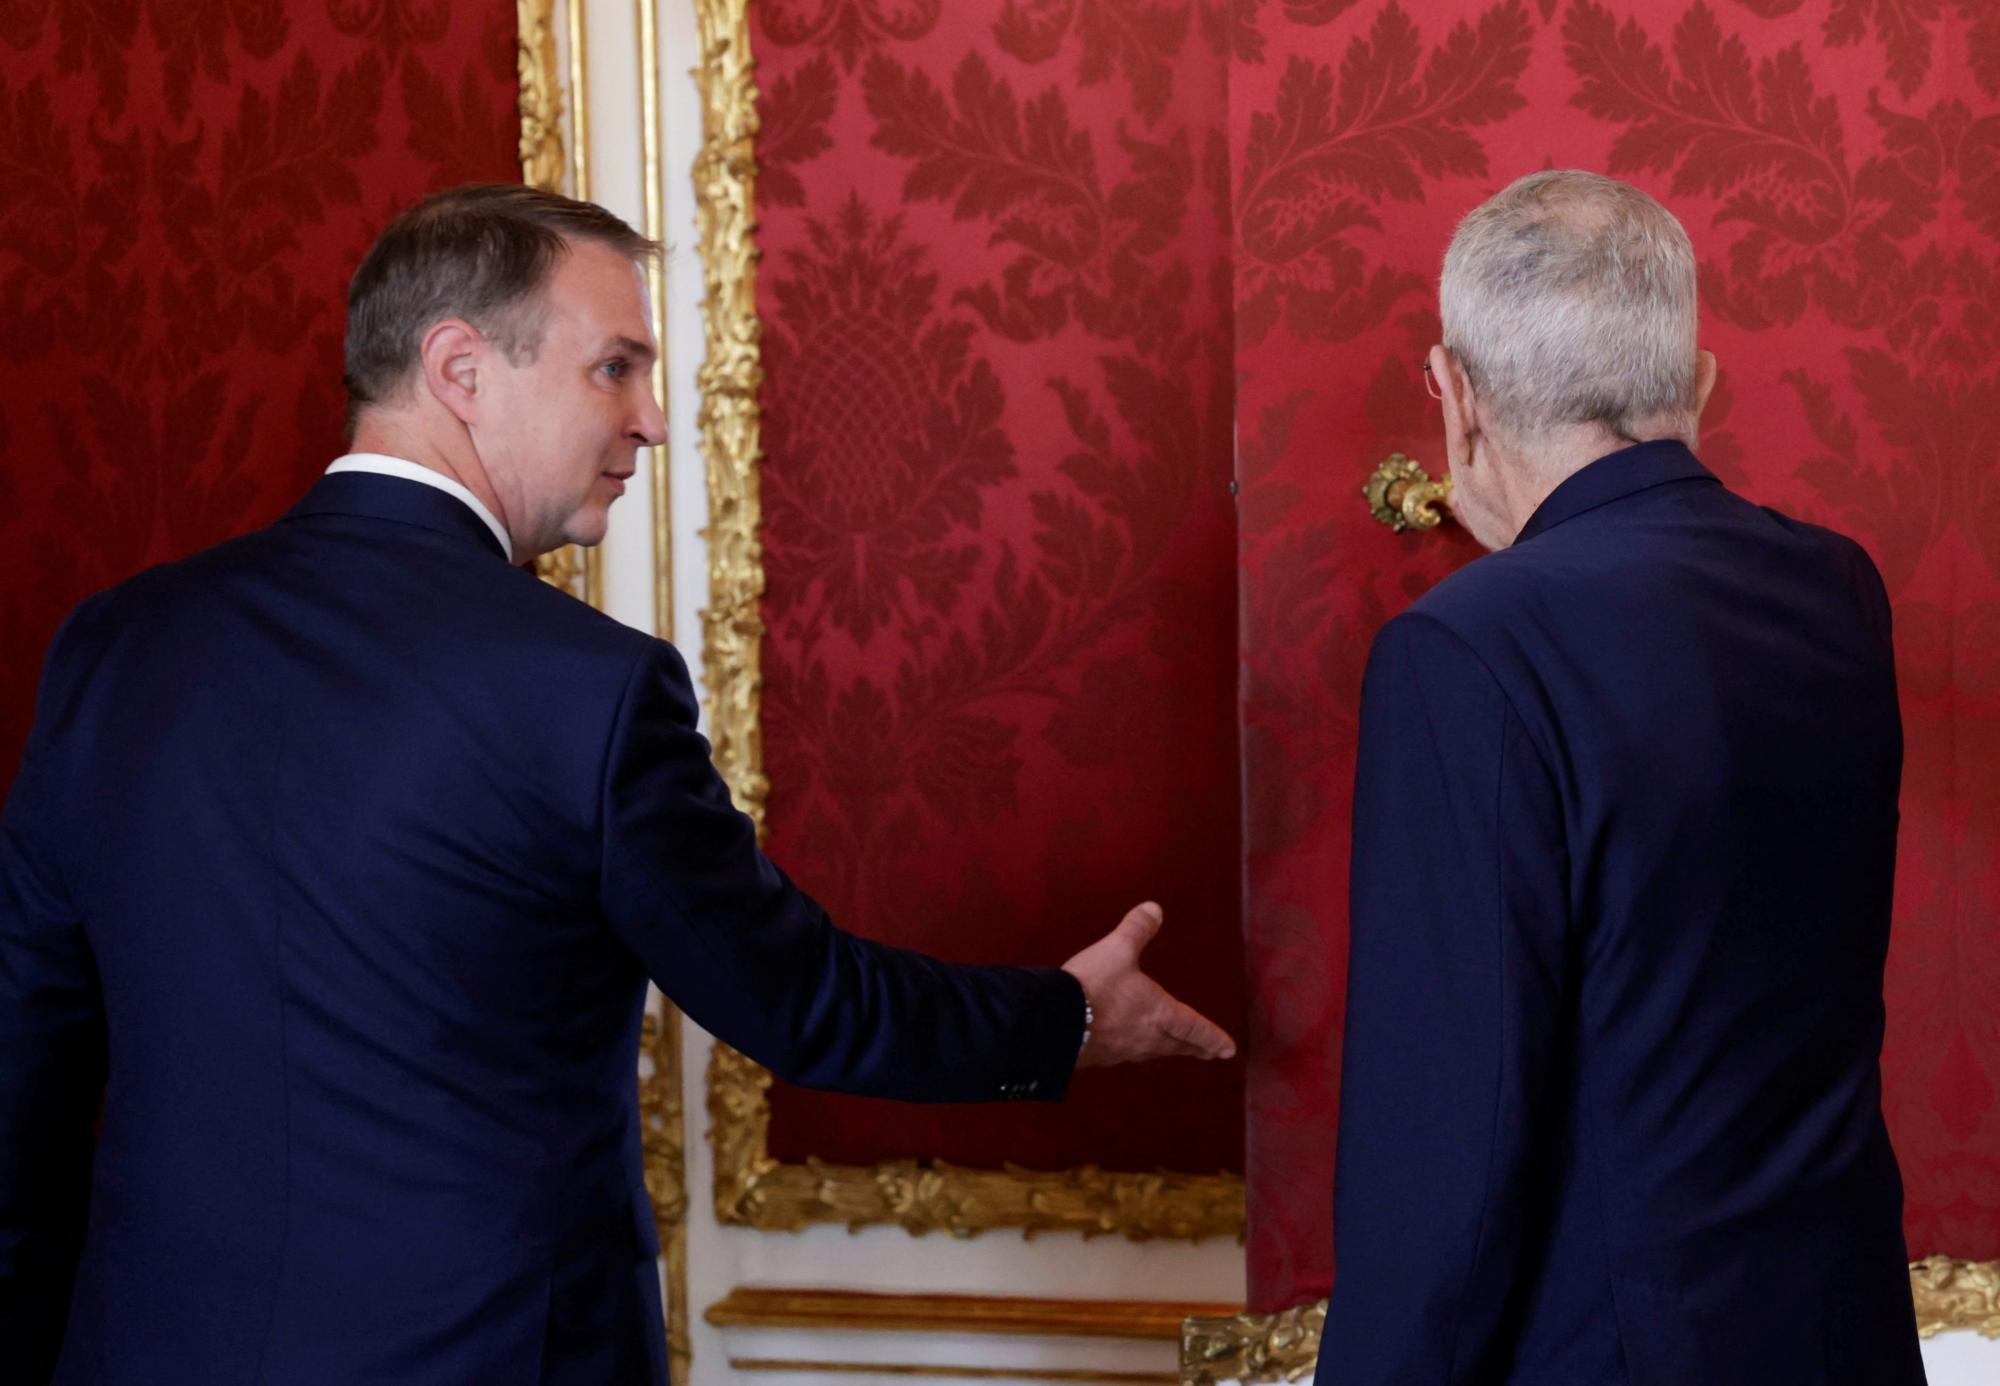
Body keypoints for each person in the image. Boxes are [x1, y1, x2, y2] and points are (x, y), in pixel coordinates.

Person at [0, 184, 1235, 1386]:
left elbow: (26, 1072)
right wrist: (1066, 1020)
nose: (652, 418)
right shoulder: (584, 689)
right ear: (460, 369)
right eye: (614, 367)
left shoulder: (114, 648)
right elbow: (803, 1002)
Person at [1319, 170, 1925, 1385]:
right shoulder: (1836, 591)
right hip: (1838, 1335)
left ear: (1453, 397)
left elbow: (1445, 1145)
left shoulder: (1463, 650)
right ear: (1695, 385)